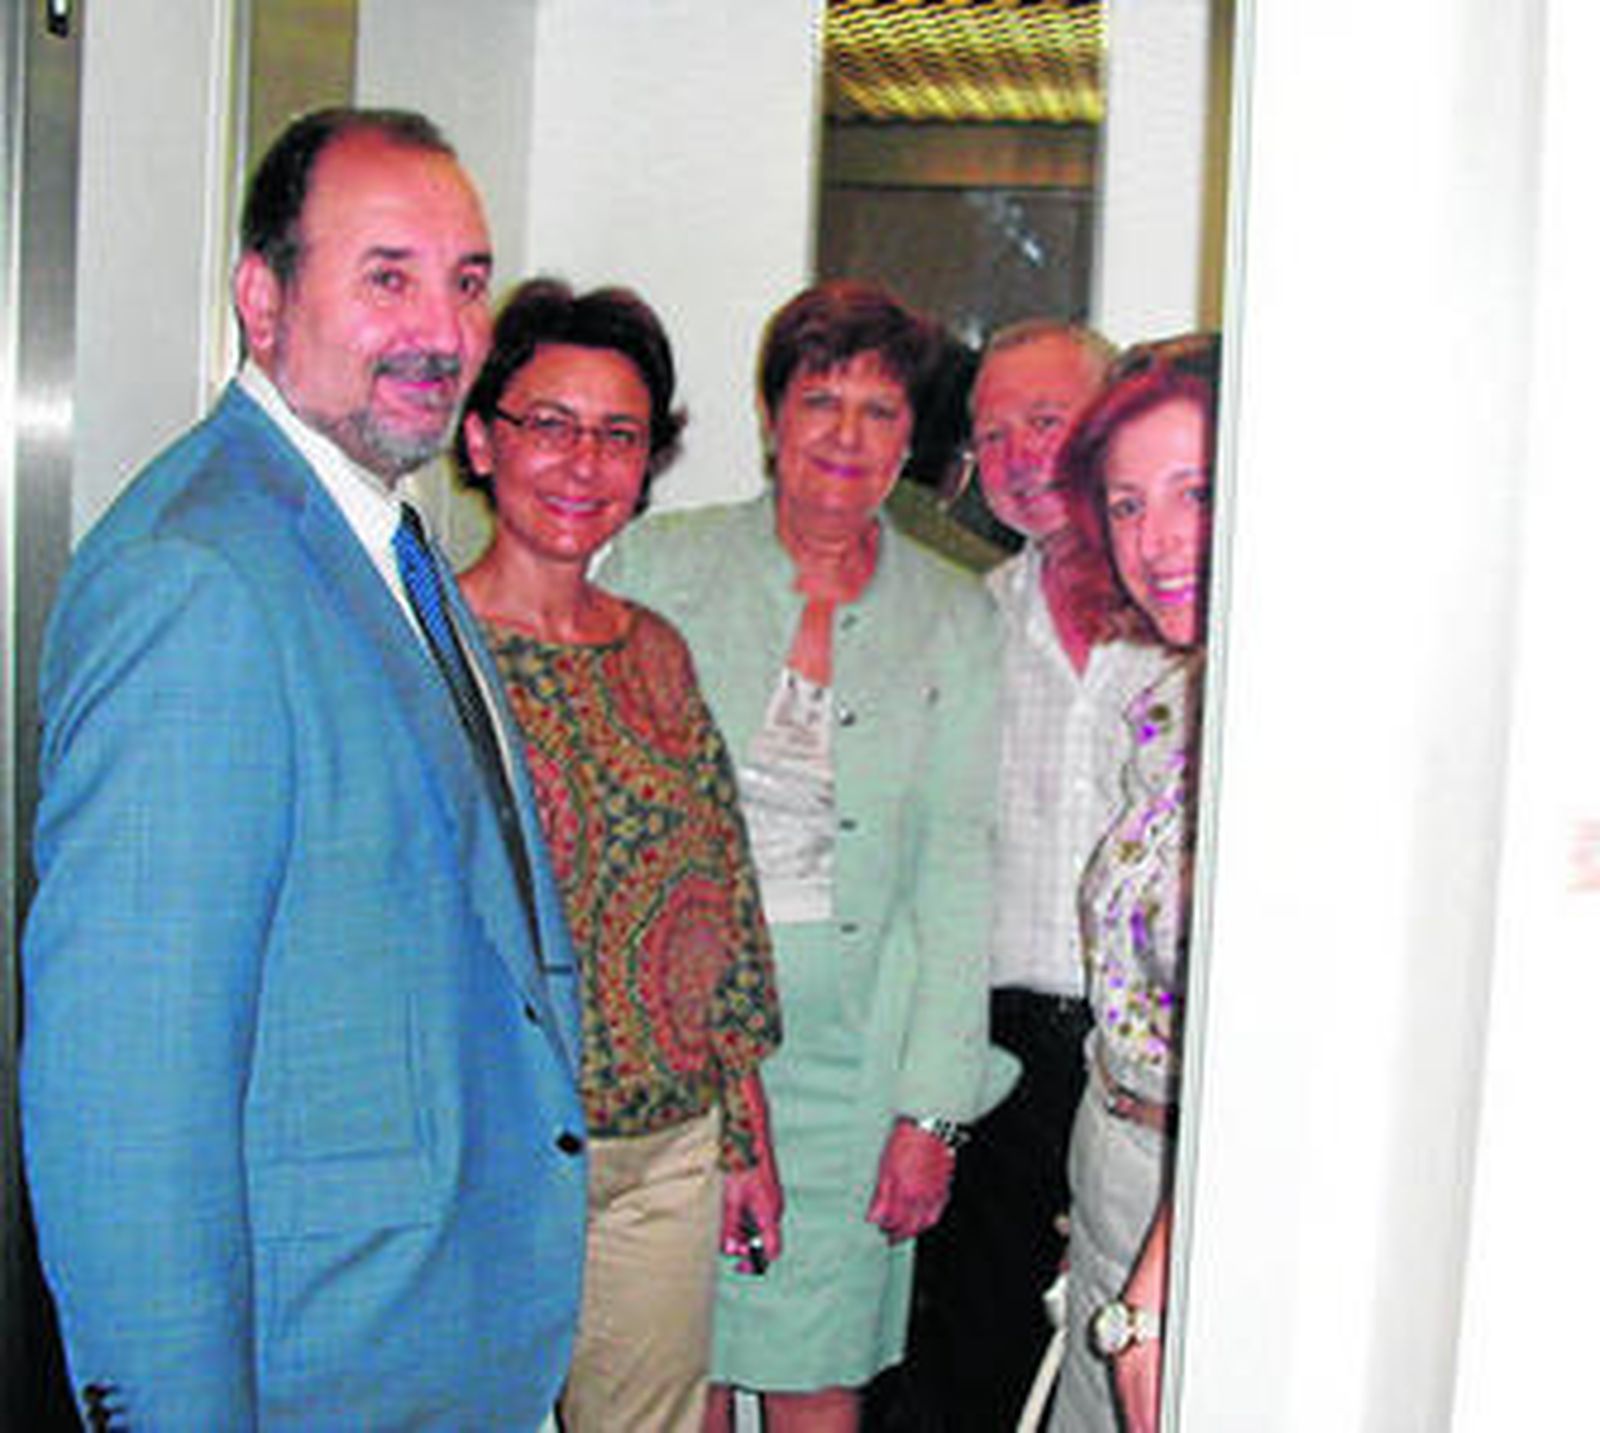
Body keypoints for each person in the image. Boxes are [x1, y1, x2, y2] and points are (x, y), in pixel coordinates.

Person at [20, 109, 587, 1430]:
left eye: (465, 279)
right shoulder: (199, 580)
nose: (444, 331)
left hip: (437, 1348)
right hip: (316, 1371)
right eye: (386, 275)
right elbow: (125, 1104)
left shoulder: (384, 541)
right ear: (261, 299)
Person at [603, 279, 1009, 1432]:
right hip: (677, 1051)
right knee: (679, 1374)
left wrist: (930, 1111)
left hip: (855, 1065)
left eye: (880, 410)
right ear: (771, 416)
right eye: (819, 399)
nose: (845, 435)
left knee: (816, 1375)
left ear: (910, 439)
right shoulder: (655, 567)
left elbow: (954, 869)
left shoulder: (956, 617)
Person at [451, 278, 783, 1432]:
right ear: (483, 438)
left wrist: (744, 1134)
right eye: (550, 423)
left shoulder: (658, 656)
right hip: (479, 1156)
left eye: (618, 435)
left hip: (664, 1151)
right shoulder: (423, 655)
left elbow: (718, 907)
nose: (583, 462)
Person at [897, 320, 1167, 1429]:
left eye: (1044, 422)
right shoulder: (962, 621)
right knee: (968, 1369)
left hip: (1143, 1076)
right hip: (995, 1057)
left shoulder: (1193, 618)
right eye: (989, 432)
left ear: (1107, 428)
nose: (1014, 455)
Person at [1050, 333, 1220, 1433]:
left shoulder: (1311, 720)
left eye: (1191, 492)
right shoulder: (1169, 708)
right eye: (1123, 506)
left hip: (1202, 1181)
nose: (1154, 540)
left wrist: (1152, 1288)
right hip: (1112, 1144)